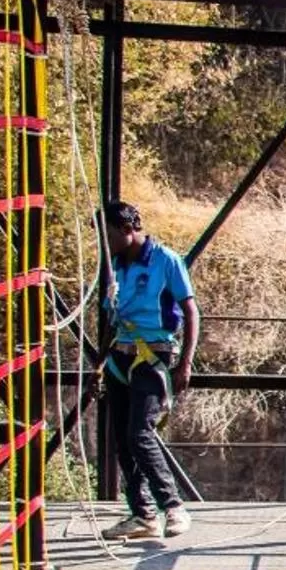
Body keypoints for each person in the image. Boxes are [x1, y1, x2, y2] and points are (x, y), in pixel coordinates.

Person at [97, 200, 198, 542]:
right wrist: (101, 360)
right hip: (120, 357)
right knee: (123, 441)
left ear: (127, 230)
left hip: (152, 355)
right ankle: (142, 514)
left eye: (108, 234)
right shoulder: (115, 265)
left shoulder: (164, 260)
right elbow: (112, 315)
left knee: (141, 432)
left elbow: (190, 310)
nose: (104, 242)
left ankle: (173, 506)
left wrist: (185, 362)